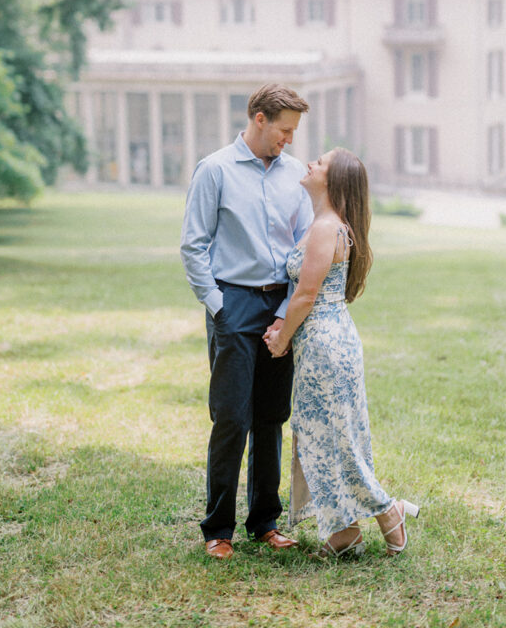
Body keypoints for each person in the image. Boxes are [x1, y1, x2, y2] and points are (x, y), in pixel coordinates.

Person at [264, 147, 420, 558]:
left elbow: (305, 295)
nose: (310, 163)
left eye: (321, 162)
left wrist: (281, 338)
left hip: (324, 343)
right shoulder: (326, 224)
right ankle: (344, 531)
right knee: (327, 436)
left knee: (336, 439)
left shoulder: (325, 228)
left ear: (333, 182)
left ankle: (389, 511)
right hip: (329, 340)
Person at [180, 84, 313, 560]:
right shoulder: (214, 170)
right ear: (259, 119)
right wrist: (218, 305)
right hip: (232, 304)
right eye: (284, 130)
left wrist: (285, 313)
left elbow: (301, 247)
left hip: (282, 306)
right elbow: (194, 245)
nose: (290, 140)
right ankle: (218, 529)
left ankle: (265, 522)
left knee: (271, 417)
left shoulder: (296, 174)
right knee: (232, 418)